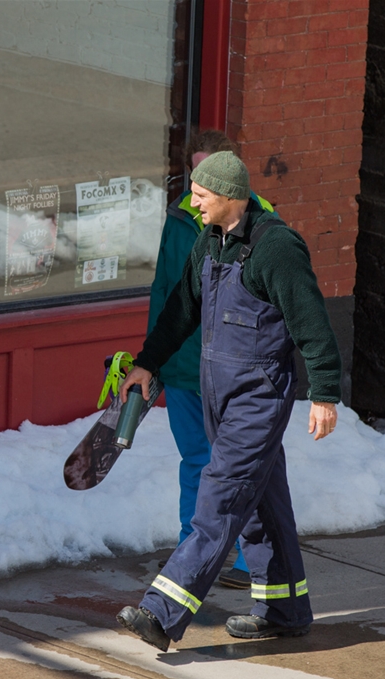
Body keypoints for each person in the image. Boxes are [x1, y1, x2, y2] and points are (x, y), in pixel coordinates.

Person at [116, 152, 340, 650]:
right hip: (220, 395)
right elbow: (180, 309)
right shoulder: (211, 241)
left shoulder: (275, 248)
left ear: (230, 196)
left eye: (201, 195)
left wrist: (323, 394)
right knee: (263, 504)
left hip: (258, 400)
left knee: (219, 499)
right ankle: (285, 609)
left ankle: (162, 613)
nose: (193, 203)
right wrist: (148, 363)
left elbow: (312, 323)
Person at [150, 130, 277, 590]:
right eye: (195, 172)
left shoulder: (264, 223)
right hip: (185, 366)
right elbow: (166, 291)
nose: (200, 185)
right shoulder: (179, 217)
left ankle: (248, 558)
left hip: (235, 369)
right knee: (195, 460)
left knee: (240, 466)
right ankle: (191, 550)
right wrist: (152, 359)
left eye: (211, 173)